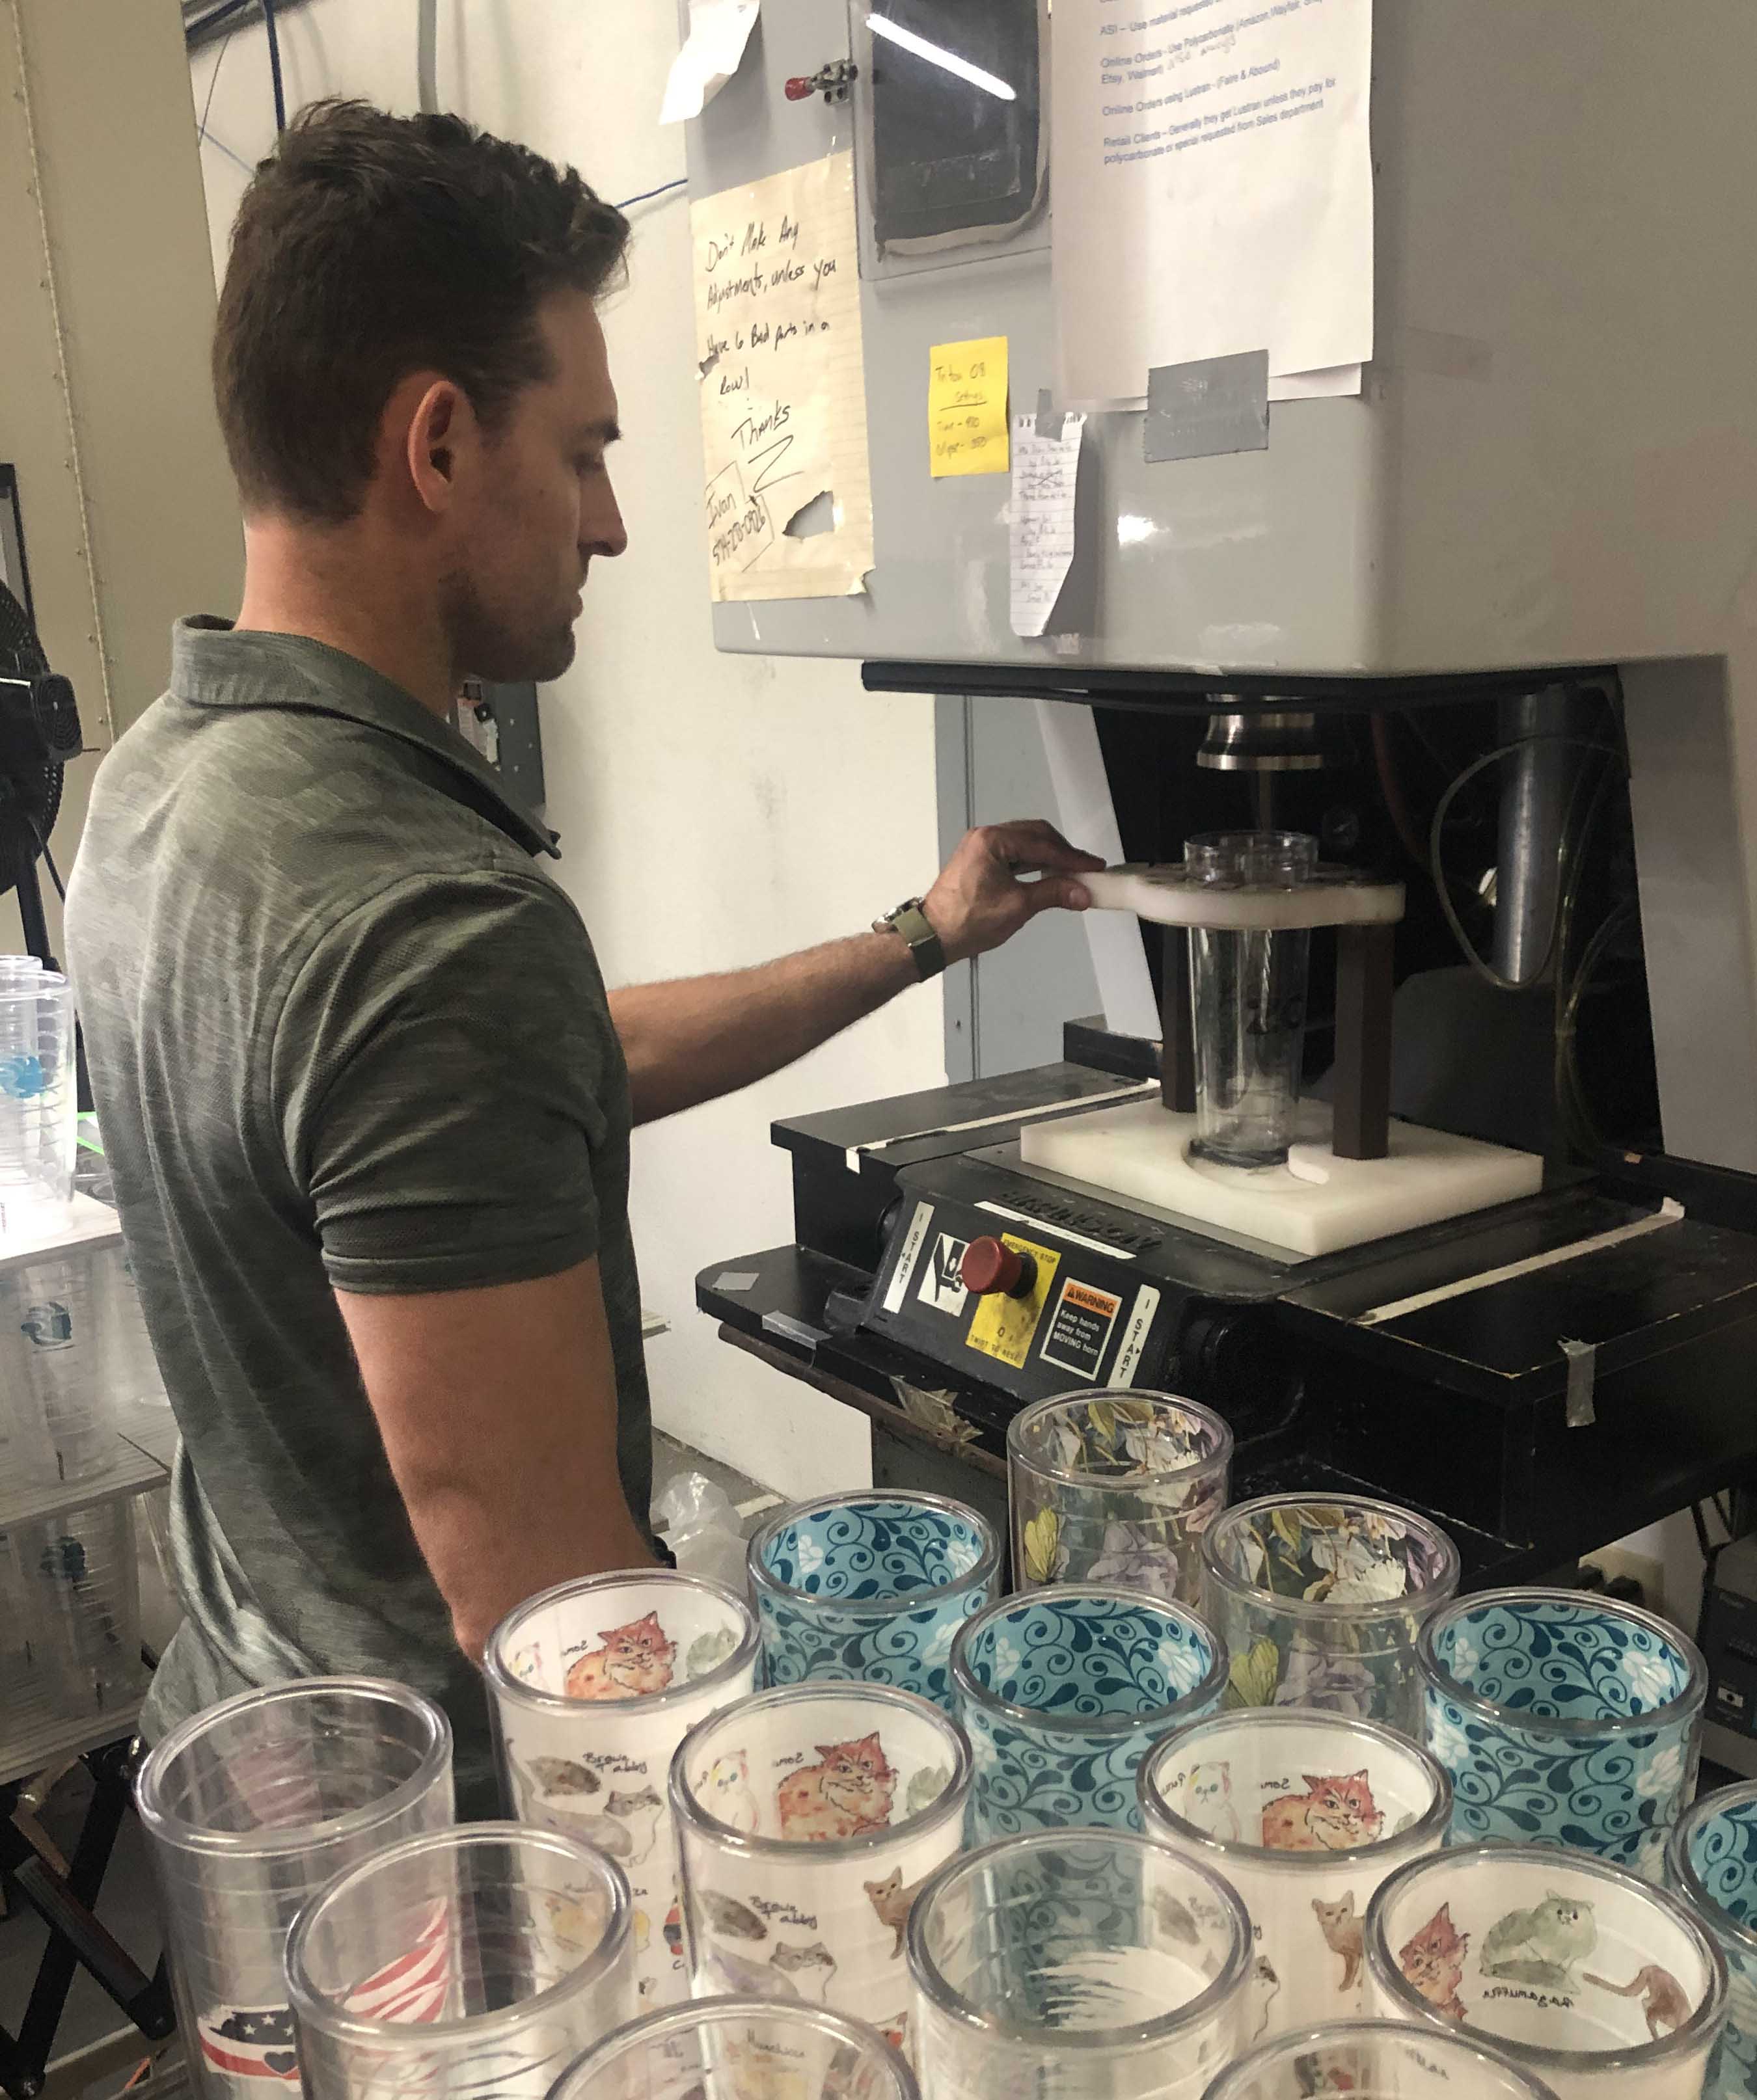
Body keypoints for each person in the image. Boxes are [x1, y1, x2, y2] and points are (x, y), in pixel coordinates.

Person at [64, 101, 1098, 1810]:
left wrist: (922, 934)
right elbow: (547, 1595)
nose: (611, 524)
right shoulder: (419, 919)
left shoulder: (165, 789)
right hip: (469, 1853)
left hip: (262, 1724)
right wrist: (865, 1815)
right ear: (441, 443)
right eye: (587, 453)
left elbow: (523, 1078)